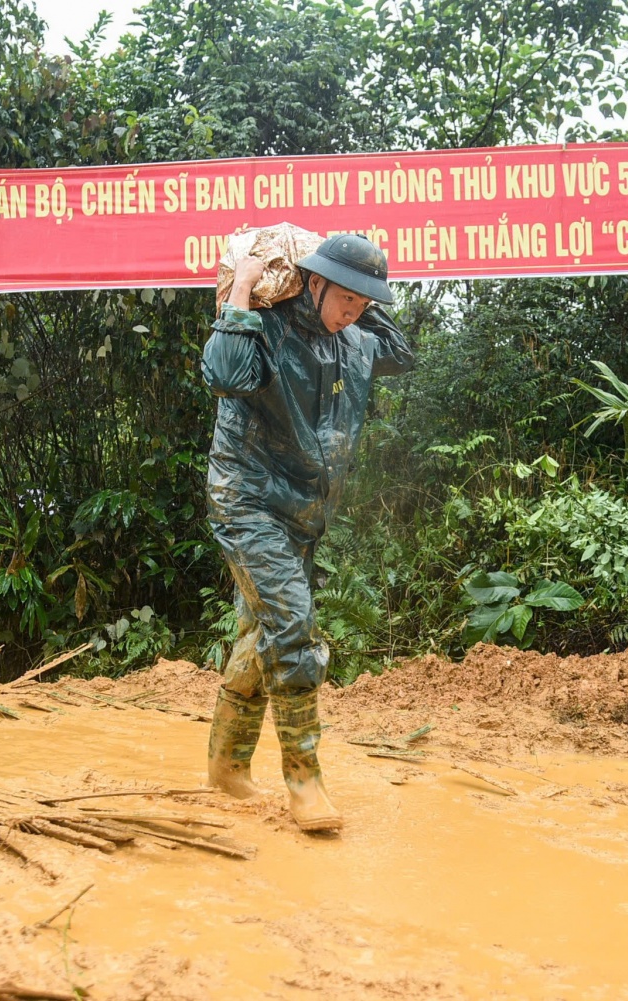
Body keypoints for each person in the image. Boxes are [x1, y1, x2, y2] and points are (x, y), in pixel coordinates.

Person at [201, 233, 414, 832]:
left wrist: (368, 293)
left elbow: (400, 350)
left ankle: (225, 768)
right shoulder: (263, 329)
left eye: (363, 303)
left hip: (303, 513)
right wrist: (245, 286)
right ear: (312, 282)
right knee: (293, 625)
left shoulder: (354, 342)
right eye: (345, 298)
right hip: (246, 502)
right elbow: (223, 375)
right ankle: (304, 781)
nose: (355, 312)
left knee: (259, 634)